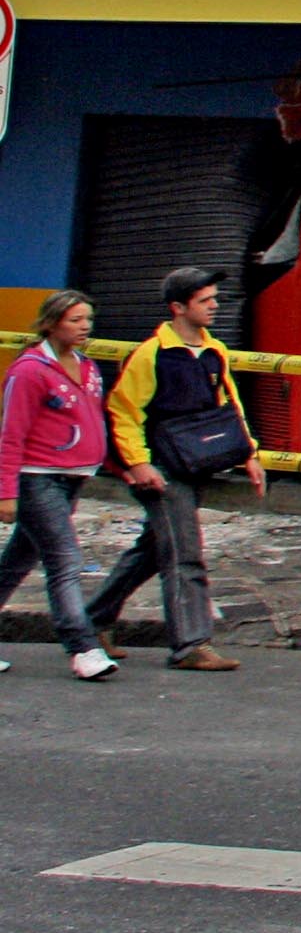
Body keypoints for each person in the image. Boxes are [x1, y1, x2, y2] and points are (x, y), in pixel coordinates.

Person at [91, 265, 258, 671]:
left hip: (194, 463)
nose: (215, 306)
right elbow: (122, 411)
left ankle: (90, 622)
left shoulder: (214, 350)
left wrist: (249, 453)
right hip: (162, 470)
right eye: (205, 300)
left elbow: (229, 405)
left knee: (152, 551)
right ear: (178, 308)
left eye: (214, 298)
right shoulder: (151, 354)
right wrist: (139, 463)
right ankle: (190, 644)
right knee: (185, 554)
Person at [0, 290, 121, 679]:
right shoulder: (29, 371)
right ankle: (82, 647)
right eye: (75, 320)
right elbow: (10, 435)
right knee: (64, 560)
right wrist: (5, 492)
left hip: (73, 478)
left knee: (17, 562)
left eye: (87, 319)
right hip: (38, 479)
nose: (85, 326)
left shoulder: (87, 367)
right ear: (51, 324)